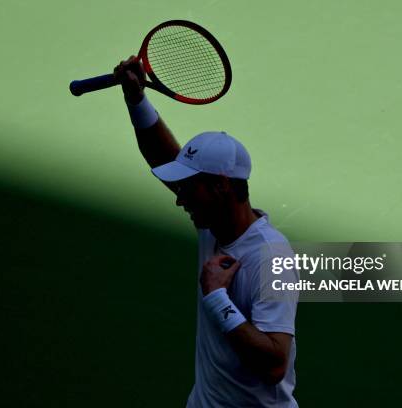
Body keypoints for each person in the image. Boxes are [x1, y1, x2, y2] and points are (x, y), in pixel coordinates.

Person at [114, 56, 299, 408]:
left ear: (220, 186)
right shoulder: (213, 222)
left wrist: (217, 299)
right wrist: (136, 99)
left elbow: (275, 364)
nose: (179, 199)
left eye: (188, 188)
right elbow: (160, 154)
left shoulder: (269, 256)